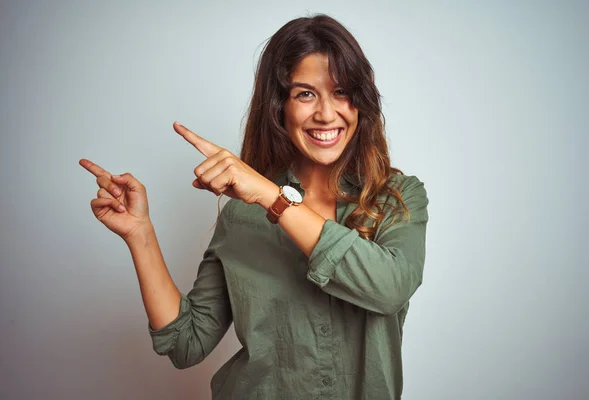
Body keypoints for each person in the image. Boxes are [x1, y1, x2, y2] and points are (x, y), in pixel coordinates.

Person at [80, 14, 428, 400]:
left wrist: (271, 198)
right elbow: (186, 343)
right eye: (305, 94)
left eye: (341, 92)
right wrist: (139, 234)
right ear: (279, 107)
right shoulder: (241, 215)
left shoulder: (396, 197)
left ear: (360, 102)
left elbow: (390, 289)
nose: (327, 114)